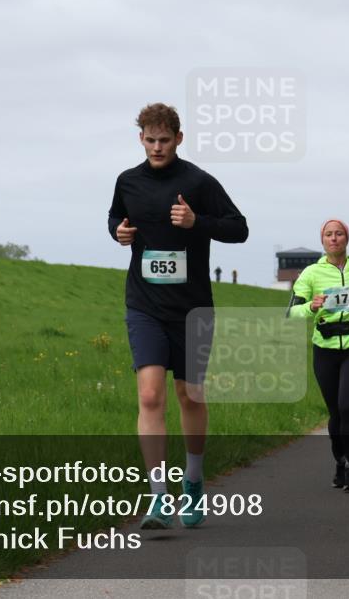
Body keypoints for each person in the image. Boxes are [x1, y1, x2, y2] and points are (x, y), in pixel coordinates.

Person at [108, 102, 248, 529]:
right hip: (144, 304)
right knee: (150, 396)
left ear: (179, 139)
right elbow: (116, 216)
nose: (157, 147)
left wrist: (196, 221)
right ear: (140, 139)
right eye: (150, 140)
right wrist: (119, 231)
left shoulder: (199, 182)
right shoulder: (127, 181)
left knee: (190, 395)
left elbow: (238, 228)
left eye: (164, 140)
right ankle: (157, 498)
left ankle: (193, 480)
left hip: (192, 308)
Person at [288, 219, 349, 492]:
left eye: (339, 234)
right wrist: (311, 306)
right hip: (325, 348)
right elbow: (293, 312)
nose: (334, 238)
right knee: (334, 412)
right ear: (322, 240)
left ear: (347, 238)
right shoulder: (310, 273)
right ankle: (340, 461)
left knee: (347, 406)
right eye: (329, 234)